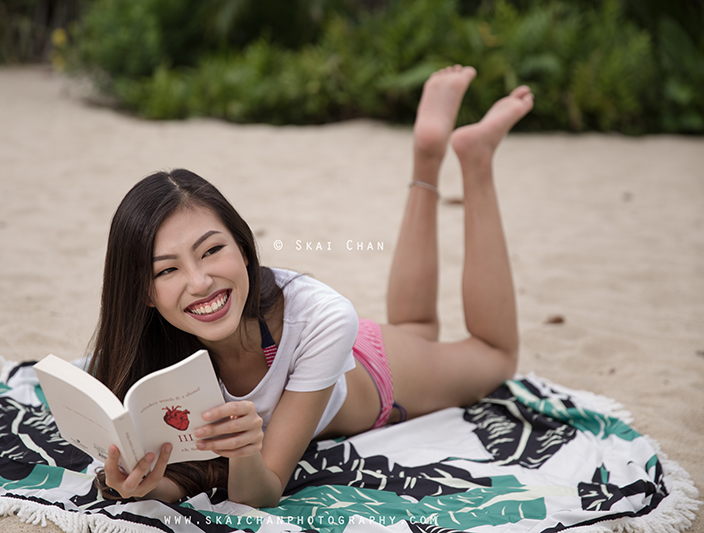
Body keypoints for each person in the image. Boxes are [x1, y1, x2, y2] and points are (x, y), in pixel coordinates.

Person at [89, 65, 534, 507]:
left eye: (211, 251)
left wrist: (245, 453)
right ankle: (429, 149)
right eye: (167, 270)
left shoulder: (321, 315)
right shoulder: (143, 354)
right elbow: (185, 478)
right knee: (417, 326)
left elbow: (260, 491)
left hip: (373, 372)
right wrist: (135, 483)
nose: (200, 282)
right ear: (144, 291)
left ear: (244, 248)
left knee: (496, 356)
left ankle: (475, 160)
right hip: (326, 346)